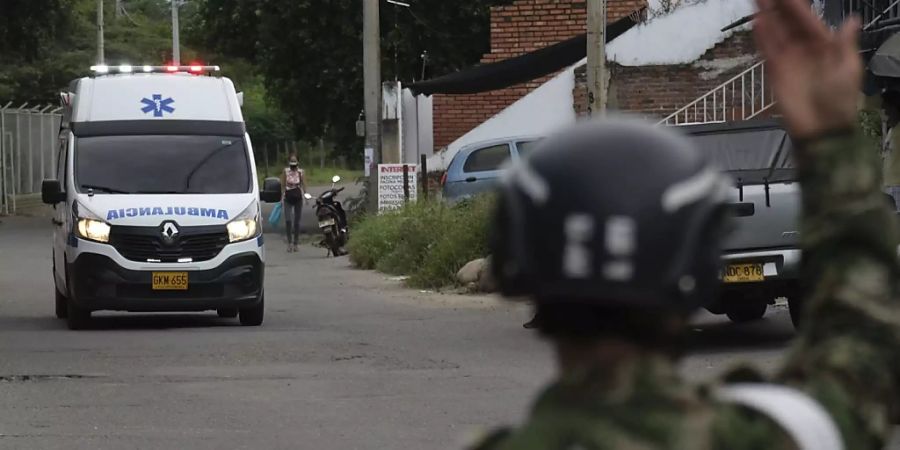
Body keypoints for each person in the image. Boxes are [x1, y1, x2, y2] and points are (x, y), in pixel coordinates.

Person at [470, 0, 900, 448]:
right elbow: (861, 362)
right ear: (693, 267)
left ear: (518, 268)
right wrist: (829, 139)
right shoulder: (775, 436)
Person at [281, 154, 308, 252]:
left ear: (298, 164)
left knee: (297, 221)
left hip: (298, 197)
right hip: (288, 197)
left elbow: (304, 184)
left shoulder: (301, 172)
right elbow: (283, 184)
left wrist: (306, 196)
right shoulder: (286, 171)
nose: (293, 167)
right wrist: (281, 197)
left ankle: (296, 243)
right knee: (288, 220)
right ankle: (289, 243)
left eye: (295, 164)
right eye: (291, 164)